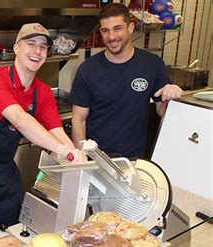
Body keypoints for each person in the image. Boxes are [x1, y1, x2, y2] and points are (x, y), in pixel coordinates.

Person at [0, 23, 86, 235]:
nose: (37, 51)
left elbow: (57, 131)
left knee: (14, 233)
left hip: (5, 173)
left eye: (43, 47)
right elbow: (19, 118)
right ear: (17, 48)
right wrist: (63, 150)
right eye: (31, 44)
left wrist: (77, 157)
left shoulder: (43, 92)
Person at [70, 3, 183, 158]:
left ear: (130, 27)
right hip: (97, 160)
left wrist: (172, 98)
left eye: (117, 28)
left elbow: (162, 111)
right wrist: (83, 160)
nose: (111, 37)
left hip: (135, 160)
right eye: (105, 30)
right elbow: (78, 120)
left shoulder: (152, 64)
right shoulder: (88, 69)